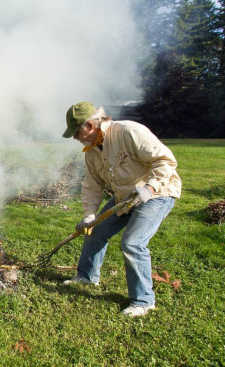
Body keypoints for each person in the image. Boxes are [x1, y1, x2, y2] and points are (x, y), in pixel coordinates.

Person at [61, 101, 181, 317]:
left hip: (158, 194)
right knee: (95, 229)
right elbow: (92, 185)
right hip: (125, 198)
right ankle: (87, 277)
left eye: (76, 132)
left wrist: (150, 187)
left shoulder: (128, 131)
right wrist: (89, 215)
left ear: (89, 125)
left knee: (133, 243)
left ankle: (143, 301)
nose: (74, 137)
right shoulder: (91, 152)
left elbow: (165, 161)